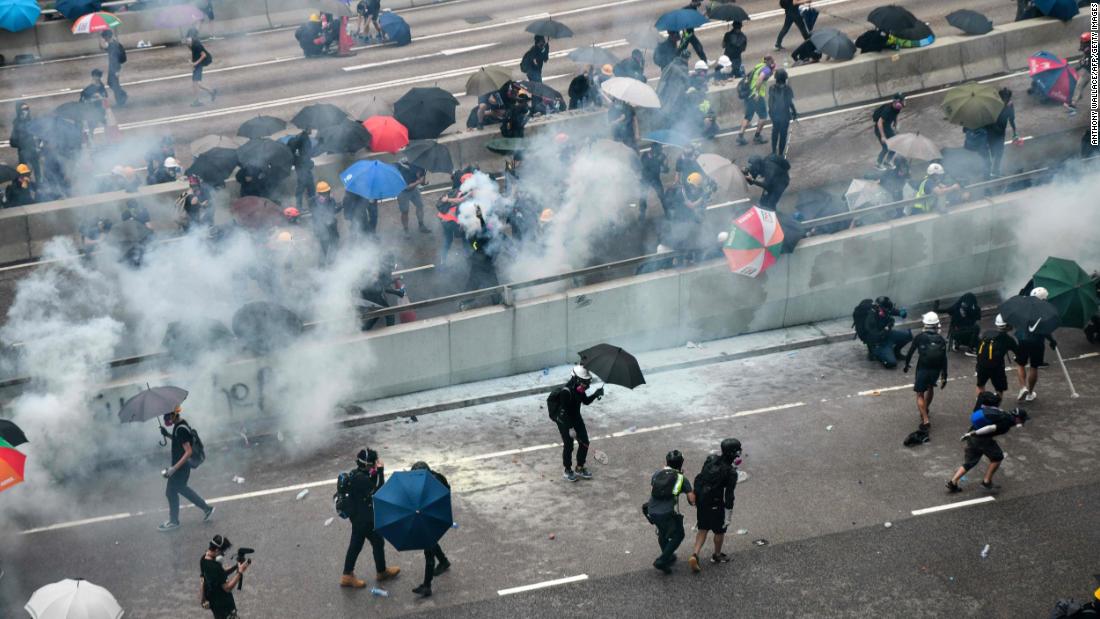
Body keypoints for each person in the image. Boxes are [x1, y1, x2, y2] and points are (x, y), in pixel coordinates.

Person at [341, 448, 401, 587]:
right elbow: (379, 490)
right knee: (368, 544)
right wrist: (380, 471)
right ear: (368, 465)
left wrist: (375, 473)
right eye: (374, 463)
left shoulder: (358, 474)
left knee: (367, 544)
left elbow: (372, 483)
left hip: (360, 517)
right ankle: (353, 574)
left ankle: (352, 574)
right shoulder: (360, 478)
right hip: (364, 520)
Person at [945, 392, 1029, 492]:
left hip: (974, 436)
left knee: (970, 461)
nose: (1023, 422)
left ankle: (953, 482)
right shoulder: (1006, 422)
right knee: (997, 457)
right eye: (1023, 420)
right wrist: (973, 434)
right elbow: (990, 428)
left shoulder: (1003, 413)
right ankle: (986, 482)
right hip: (980, 438)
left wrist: (970, 434)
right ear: (1018, 419)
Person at [158, 406, 214, 531]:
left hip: (180, 467)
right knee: (178, 490)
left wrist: (174, 469)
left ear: (173, 415)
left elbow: (188, 452)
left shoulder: (180, 429)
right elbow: (180, 441)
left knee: (173, 491)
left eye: (167, 416)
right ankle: (206, 508)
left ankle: (174, 521)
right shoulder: (180, 426)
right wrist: (167, 434)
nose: (165, 419)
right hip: (181, 467)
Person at [688, 439, 741, 573]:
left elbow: (700, 477)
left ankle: (695, 554)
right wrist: (728, 514)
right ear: (734, 454)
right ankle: (717, 555)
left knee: (703, 529)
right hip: (716, 504)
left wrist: (696, 495)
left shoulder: (710, 459)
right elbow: (729, 495)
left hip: (702, 501)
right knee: (719, 531)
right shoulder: (731, 472)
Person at [549, 365, 604, 482]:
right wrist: (570, 428)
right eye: (584, 382)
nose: (586, 385)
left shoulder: (580, 389)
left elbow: (585, 401)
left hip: (576, 418)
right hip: (564, 421)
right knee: (569, 445)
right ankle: (567, 469)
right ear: (576, 379)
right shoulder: (566, 392)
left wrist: (595, 394)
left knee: (585, 442)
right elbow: (564, 413)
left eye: (587, 382)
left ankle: (579, 467)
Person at [647, 450, 695, 574]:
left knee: (663, 533)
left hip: (651, 510)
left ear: (666, 462)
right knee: (679, 534)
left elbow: (654, 489)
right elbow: (692, 500)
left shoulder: (657, 474)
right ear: (681, 464)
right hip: (666, 513)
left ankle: (668, 556)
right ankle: (662, 560)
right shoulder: (681, 478)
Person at [409, 462, 452, 597]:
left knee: (428, 550)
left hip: (432, 516)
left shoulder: (432, 485)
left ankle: (427, 585)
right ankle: (444, 561)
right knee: (431, 542)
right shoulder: (435, 477)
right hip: (433, 514)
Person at [903, 312, 949, 431]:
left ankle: (925, 419)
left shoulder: (919, 337)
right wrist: (944, 375)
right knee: (930, 388)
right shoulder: (941, 339)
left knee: (919, 394)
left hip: (922, 369)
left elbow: (910, 353)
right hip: (935, 370)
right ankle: (926, 409)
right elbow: (944, 359)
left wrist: (907, 365)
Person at [1015, 286, 1058, 403]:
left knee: (1020, 364)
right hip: (1037, 342)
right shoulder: (1046, 311)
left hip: (1022, 339)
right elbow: (1046, 330)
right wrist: (1052, 341)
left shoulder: (1023, 307)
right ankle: (1029, 393)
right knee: (1034, 367)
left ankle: (1022, 387)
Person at [200, 535, 249, 619]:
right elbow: (227, 588)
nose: (223, 554)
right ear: (217, 550)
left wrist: (235, 567)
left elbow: (204, 580)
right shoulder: (215, 567)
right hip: (225, 607)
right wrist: (240, 572)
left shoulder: (203, 560)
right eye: (222, 552)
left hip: (215, 605)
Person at [975, 314, 1018, 404]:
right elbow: (1019, 352)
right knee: (999, 389)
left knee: (980, 385)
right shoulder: (1008, 339)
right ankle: (995, 407)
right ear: (1007, 326)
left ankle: (980, 405)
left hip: (981, 365)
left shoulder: (986, 333)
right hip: (997, 368)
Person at [862, 296, 912, 368]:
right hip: (879, 342)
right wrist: (887, 328)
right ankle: (875, 354)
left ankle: (896, 352)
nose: (888, 311)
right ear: (879, 308)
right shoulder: (870, 318)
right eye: (886, 310)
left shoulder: (883, 309)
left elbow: (891, 311)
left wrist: (901, 313)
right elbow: (875, 336)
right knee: (891, 363)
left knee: (908, 335)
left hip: (888, 335)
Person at [736, 56, 775, 146]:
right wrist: (757, 93)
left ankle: (740, 136)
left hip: (748, 95)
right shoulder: (766, 69)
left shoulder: (759, 66)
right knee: (763, 116)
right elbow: (760, 79)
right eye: (772, 62)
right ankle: (757, 136)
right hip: (756, 96)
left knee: (748, 116)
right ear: (770, 62)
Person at [984, 88, 1018, 177]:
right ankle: (992, 171)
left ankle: (995, 170)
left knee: (999, 152)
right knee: (994, 151)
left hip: (1001, 132)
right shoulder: (994, 105)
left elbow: (1011, 119)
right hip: (991, 131)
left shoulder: (1010, 106)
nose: (1006, 100)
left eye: (1008, 98)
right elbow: (988, 119)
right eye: (1004, 98)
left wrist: (1015, 132)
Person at [767, 68, 797, 157]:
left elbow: (770, 103)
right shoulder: (788, 89)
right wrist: (794, 112)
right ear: (785, 78)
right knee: (783, 135)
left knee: (775, 133)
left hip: (775, 115)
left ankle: (773, 152)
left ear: (776, 78)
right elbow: (790, 103)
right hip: (785, 116)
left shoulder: (772, 88)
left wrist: (771, 114)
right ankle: (780, 154)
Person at [396, 158, 430, 236]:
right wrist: (419, 181)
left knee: (420, 206)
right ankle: (406, 230)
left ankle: (421, 225)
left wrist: (423, 182)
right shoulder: (404, 168)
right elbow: (407, 187)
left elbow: (421, 178)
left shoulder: (421, 165)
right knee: (405, 211)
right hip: (402, 192)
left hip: (414, 189)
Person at [310, 181, 341, 264]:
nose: (326, 195)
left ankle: (332, 263)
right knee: (324, 248)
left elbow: (333, 211)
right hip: (321, 229)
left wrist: (340, 205)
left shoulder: (331, 200)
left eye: (327, 192)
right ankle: (321, 266)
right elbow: (315, 215)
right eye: (324, 193)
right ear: (319, 193)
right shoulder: (313, 201)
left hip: (332, 227)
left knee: (335, 243)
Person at [873, 93, 905, 170]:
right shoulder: (887, 110)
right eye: (902, 100)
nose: (904, 102)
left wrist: (896, 124)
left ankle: (887, 162)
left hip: (887, 128)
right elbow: (879, 122)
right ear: (897, 102)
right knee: (886, 148)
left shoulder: (898, 108)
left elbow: (896, 115)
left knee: (895, 144)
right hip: (880, 129)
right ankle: (878, 163)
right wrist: (883, 136)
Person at [187, 28, 218, 107]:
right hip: (198, 64)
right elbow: (194, 53)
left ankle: (198, 100)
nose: (187, 39)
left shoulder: (197, 44)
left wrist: (195, 63)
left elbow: (203, 55)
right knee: (196, 83)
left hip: (199, 64)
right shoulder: (192, 44)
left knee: (196, 83)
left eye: (189, 37)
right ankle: (211, 92)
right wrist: (192, 63)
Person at [639, 143, 669, 221]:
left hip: (656, 179)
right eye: (659, 148)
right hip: (645, 179)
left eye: (660, 149)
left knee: (662, 196)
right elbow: (645, 165)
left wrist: (666, 164)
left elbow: (665, 170)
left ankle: (667, 212)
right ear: (653, 148)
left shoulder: (662, 156)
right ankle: (642, 215)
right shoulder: (645, 155)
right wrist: (656, 160)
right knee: (643, 197)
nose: (661, 150)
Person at [10, 102, 39, 181]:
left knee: (37, 171)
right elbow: (12, 142)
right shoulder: (16, 124)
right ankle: (25, 189)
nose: (25, 111)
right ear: (18, 111)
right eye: (22, 109)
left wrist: (38, 144)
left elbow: (39, 135)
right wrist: (23, 144)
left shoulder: (31, 121)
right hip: (23, 154)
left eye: (26, 109)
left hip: (33, 151)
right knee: (24, 174)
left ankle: (39, 186)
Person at [288, 129, 315, 210]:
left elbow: (306, 154)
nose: (312, 130)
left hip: (303, 167)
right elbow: (305, 154)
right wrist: (301, 159)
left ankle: (307, 206)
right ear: (306, 129)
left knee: (309, 187)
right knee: (305, 187)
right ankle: (302, 206)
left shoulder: (303, 137)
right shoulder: (302, 138)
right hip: (302, 167)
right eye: (310, 128)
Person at [99, 30, 128, 107]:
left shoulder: (113, 45)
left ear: (107, 37)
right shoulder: (113, 44)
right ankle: (121, 98)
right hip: (113, 67)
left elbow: (116, 60)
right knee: (112, 83)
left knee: (114, 84)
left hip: (114, 68)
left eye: (104, 37)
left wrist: (117, 70)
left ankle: (121, 98)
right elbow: (103, 48)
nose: (104, 39)